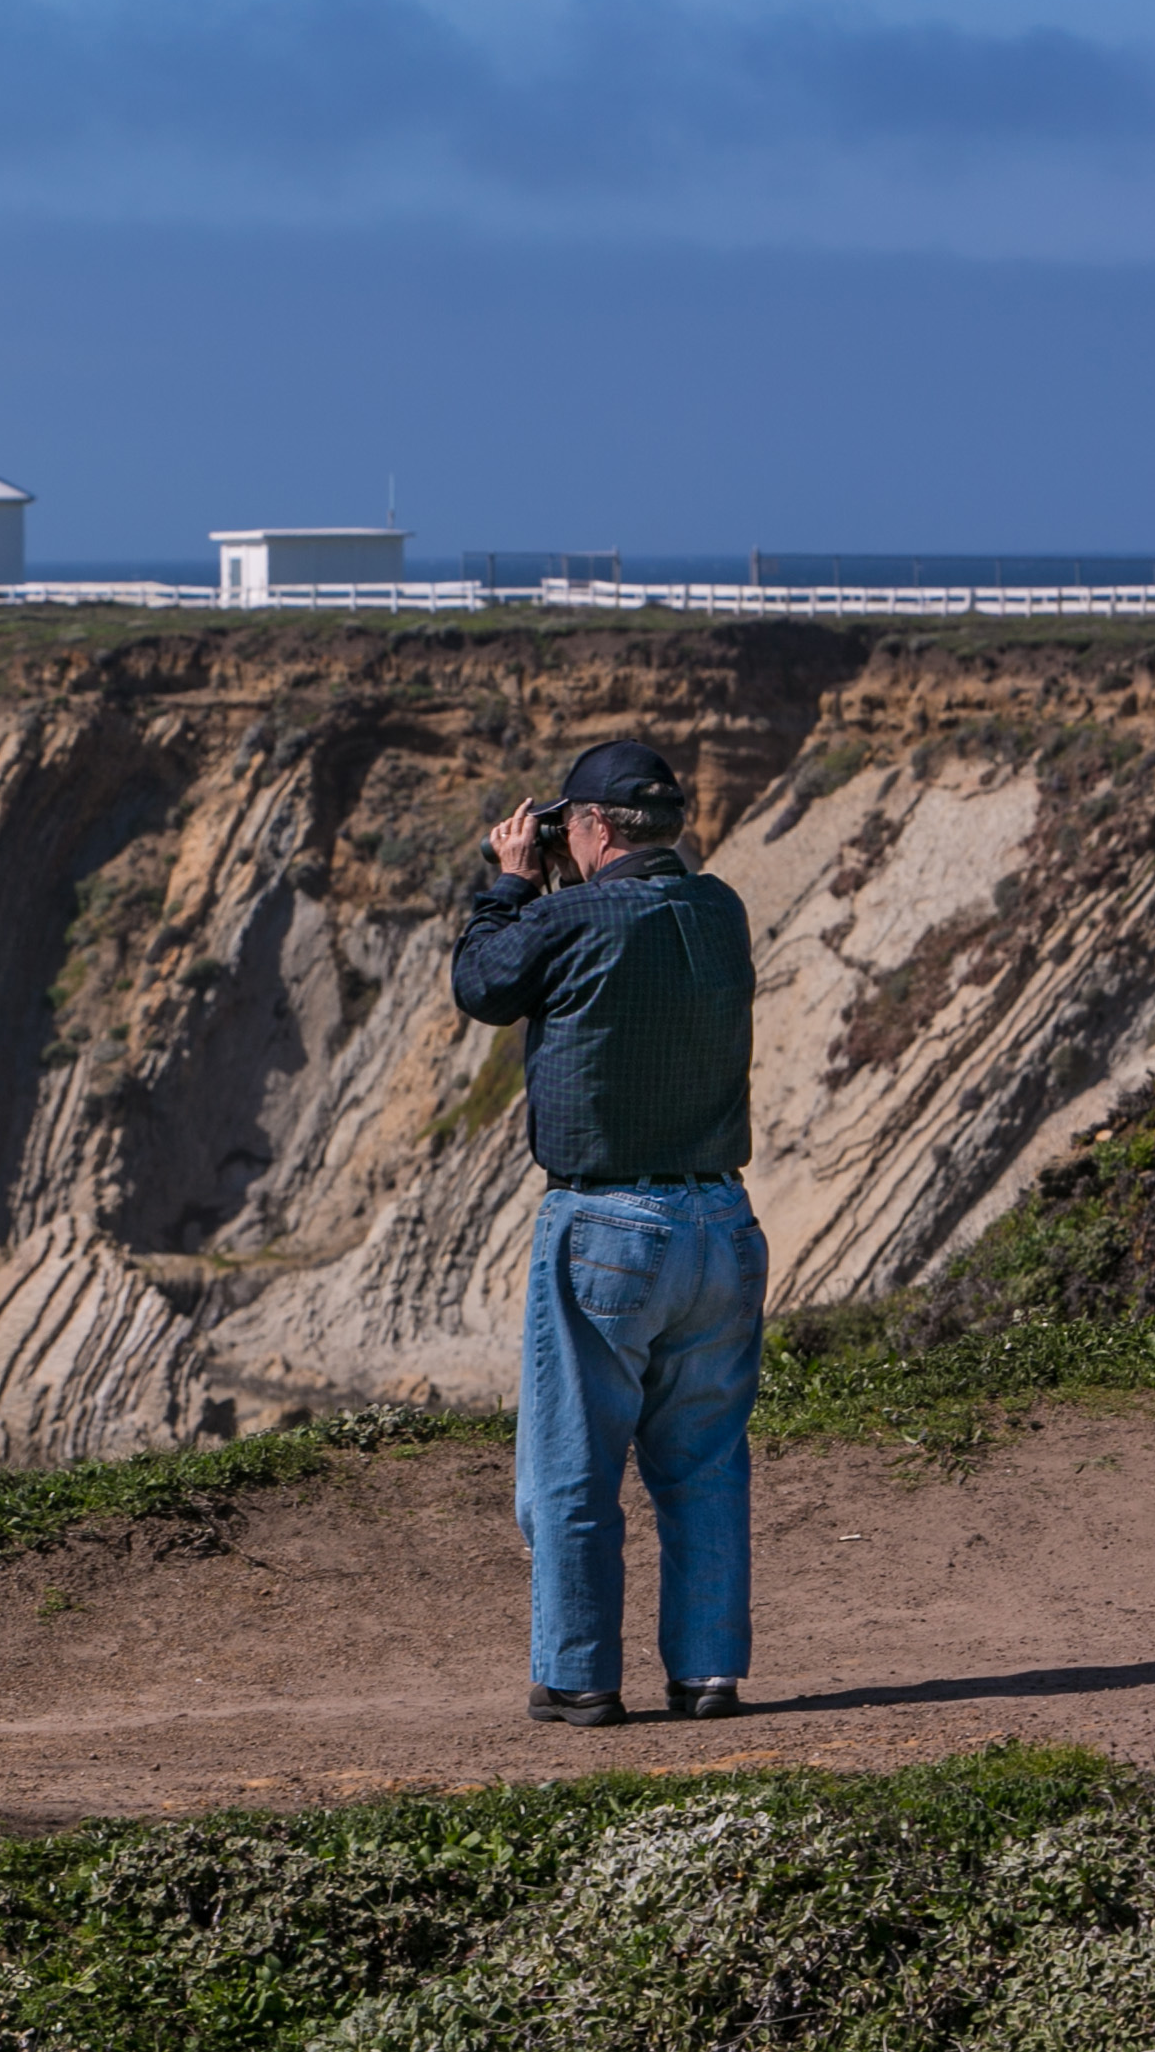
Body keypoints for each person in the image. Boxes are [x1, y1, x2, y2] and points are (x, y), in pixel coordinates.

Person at [453, 738, 765, 1728]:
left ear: (589, 825)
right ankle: (706, 1674)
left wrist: (511, 880)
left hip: (605, 1223)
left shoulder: (567, 914)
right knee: (704, 1464)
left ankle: (580, 1674)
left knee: (571, 1466)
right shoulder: (720, 909)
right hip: (720, 1218)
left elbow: (482, 984)